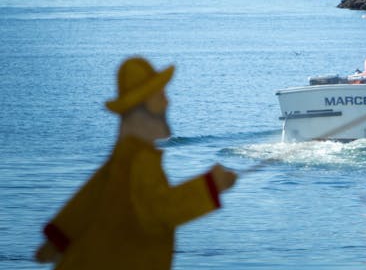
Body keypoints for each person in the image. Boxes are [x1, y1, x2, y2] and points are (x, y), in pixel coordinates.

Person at [34, 57, 237, 270]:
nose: (167, 102)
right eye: (160, 96)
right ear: (143, 105)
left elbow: (88, 198)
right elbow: (160, 211)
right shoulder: (140, 160)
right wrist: (212, 184)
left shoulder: (122, 157)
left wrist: (58, 240)